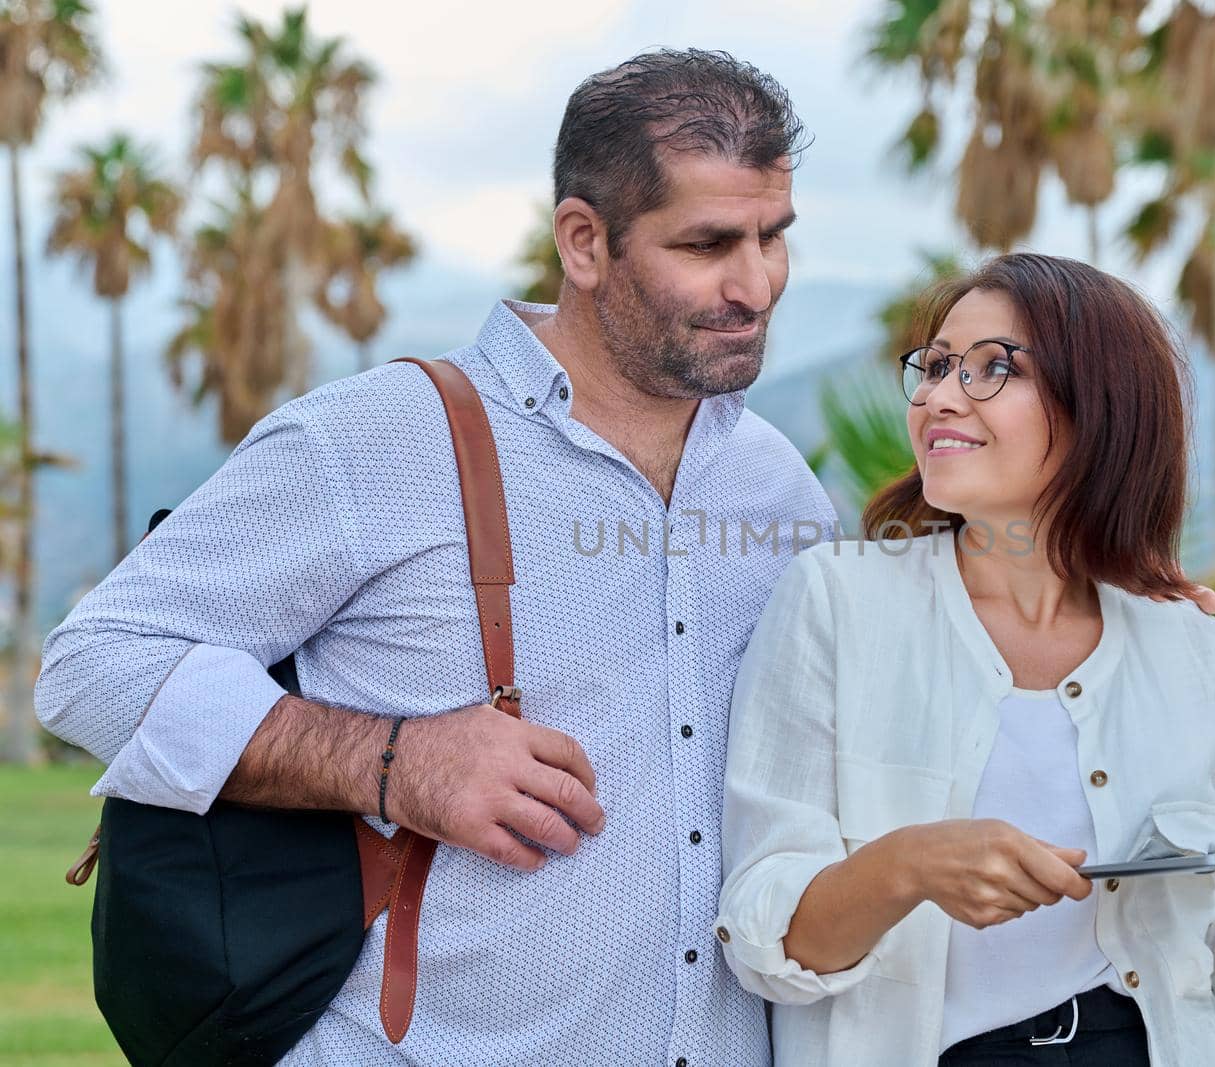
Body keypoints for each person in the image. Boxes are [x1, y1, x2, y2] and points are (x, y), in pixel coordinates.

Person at [36, 49, 831, 1065]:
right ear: (584, 242)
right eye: (709, 243)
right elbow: (92, 664)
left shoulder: (780, 488)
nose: (755, 282)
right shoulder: (375, 438)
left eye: (774, 237)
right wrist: (392, 761)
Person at [715, 253, 1215, 1067]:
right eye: (933, 367)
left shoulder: (1190, 646)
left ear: (1100, 405)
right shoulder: (835, 602)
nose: (938, 395)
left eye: (991, 369)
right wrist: (909, 865)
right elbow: (766, 940)